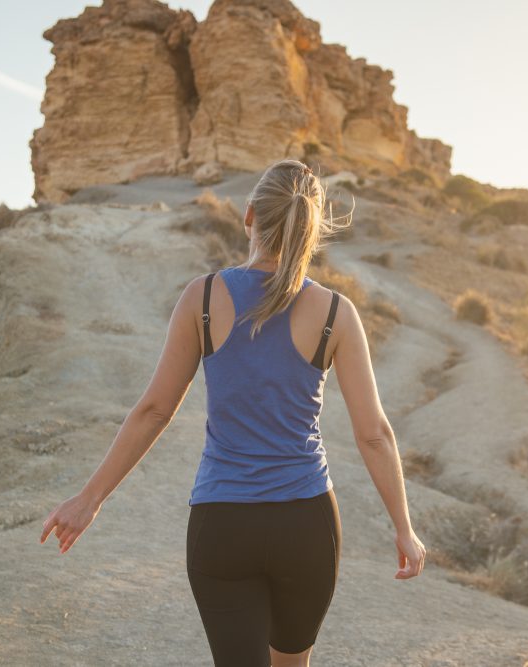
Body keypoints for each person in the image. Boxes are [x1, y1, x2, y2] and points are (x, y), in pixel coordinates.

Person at [40, 158, 427, 666]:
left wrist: (90, 499)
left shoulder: (201, 298)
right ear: (311, 232)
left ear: (248, 217)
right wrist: (403, 525)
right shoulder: (337, 313)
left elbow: (154, 410)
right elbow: (373, 433)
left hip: (222, 525)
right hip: (306, 525)